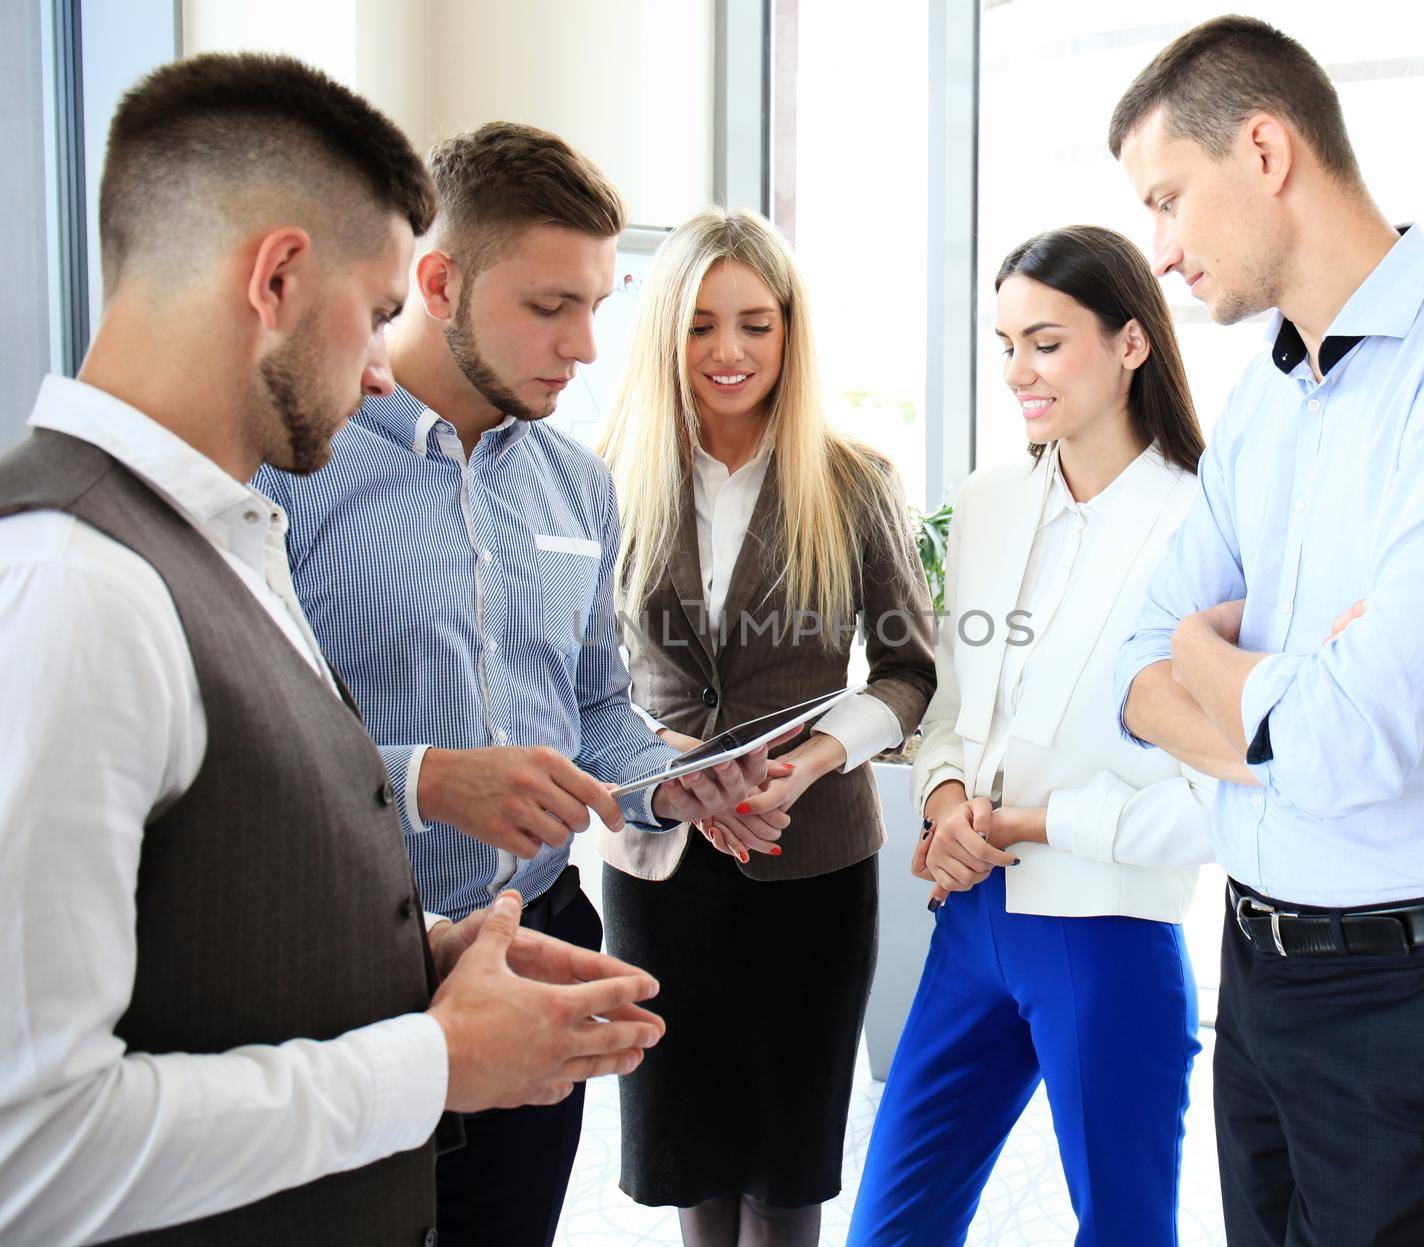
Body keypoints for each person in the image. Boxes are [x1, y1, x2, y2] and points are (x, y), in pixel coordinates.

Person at [0, 54, 666, 1246]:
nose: (376, 370)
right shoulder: (72, 584)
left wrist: (430, 953)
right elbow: (26, 1151)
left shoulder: (216, 536)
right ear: (277, 279)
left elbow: (225, 896)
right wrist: (433, 1059)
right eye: (375, 313)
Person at [1108, 17, 1424, 1246]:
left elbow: (1354, 736)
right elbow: (1128, 666)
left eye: (1168, 200)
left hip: (1419, 989)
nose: (1158, 253)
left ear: (1264, 149)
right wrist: (1274, 693)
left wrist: (1214, 674)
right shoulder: (1267, 399)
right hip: (1258, 959)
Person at [253, 122, 772, 1245]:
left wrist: (671, 784)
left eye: (597, 301)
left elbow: (592, 708)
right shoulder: (292, 475)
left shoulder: (577, 489)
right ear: (437, 283)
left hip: (540, 937)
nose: (586, 344)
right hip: (352, 973)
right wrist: (429, 779)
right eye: (549, 306)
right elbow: (248, 750)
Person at [846, 226, 1223, 1247]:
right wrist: (945, 803)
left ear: (1133, 343)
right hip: (970, 923)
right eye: (1006, 341)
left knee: (1124, 1232)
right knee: (888, 1227)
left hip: (1109, 937)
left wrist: (1024, 819)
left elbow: (1211, 800)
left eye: (1046, 342)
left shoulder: (1205, 526)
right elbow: (954, 714)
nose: (1017, 370)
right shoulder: (989, 500)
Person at [593, 206, 936, 1247]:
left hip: (811, 860)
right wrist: (677, 779)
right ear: (664, 336)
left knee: (790, 1166)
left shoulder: (851, 481)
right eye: (699, 324)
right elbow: (579, 680)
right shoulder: (602, 476)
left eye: (754, 321)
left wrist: (815, 760)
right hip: (659, 862)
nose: (729, 351)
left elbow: (911, 672)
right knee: (689, 1156)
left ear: (790, 331)